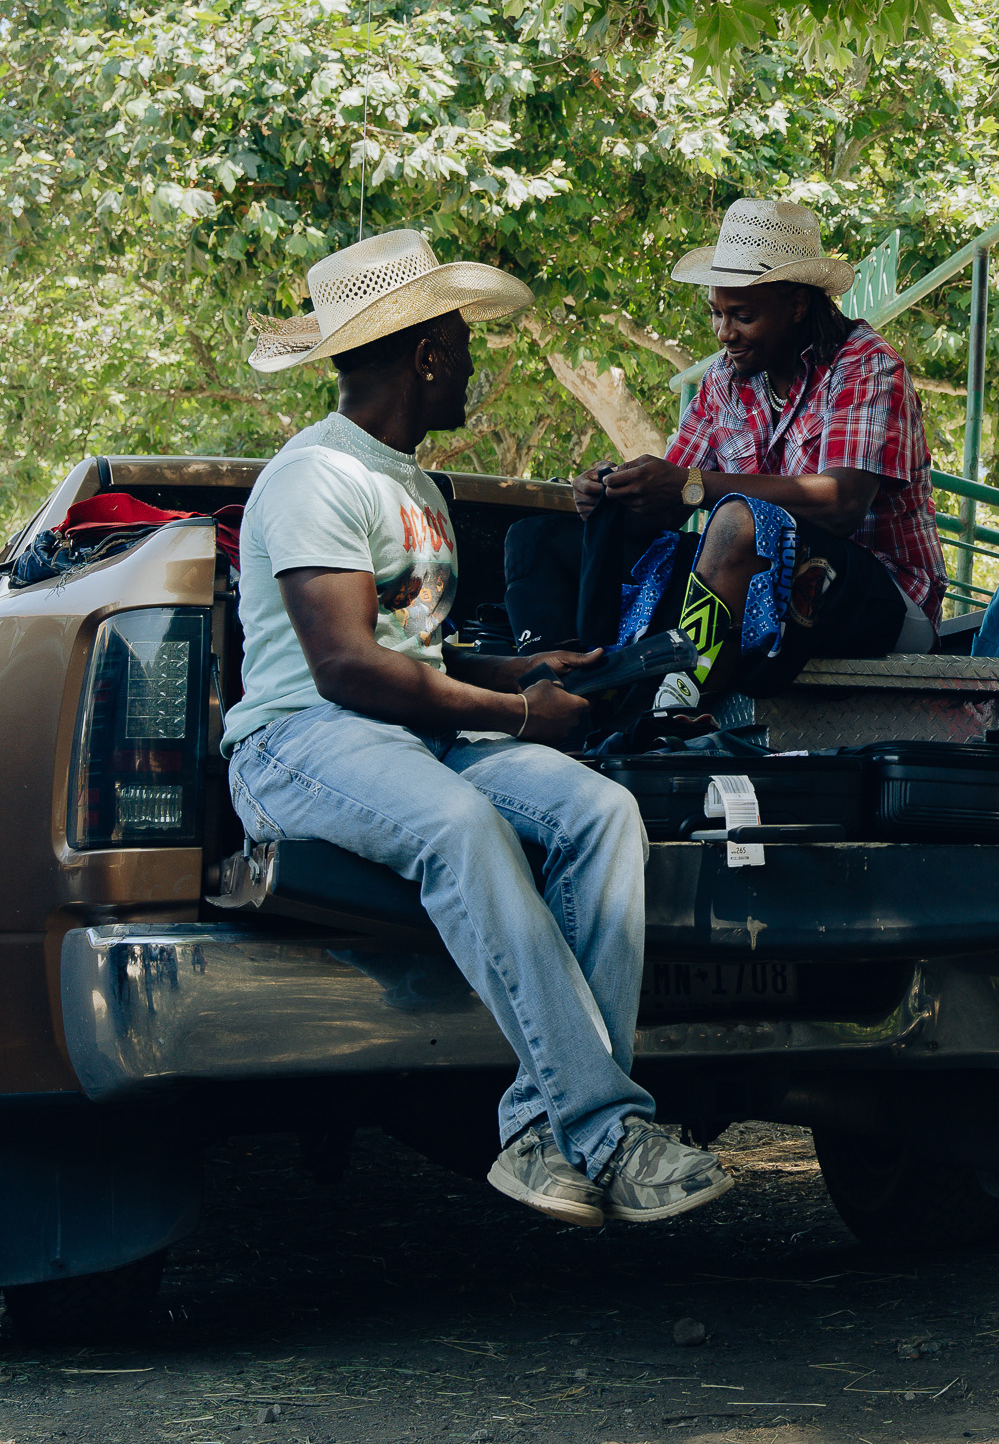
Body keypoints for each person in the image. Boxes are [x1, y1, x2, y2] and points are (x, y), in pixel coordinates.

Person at [223, 229, 732, 1230]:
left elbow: (415, 654)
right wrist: (514, 713)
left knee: (599, 813)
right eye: (462, 341)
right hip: (301, 740)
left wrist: (527, 670)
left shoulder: (413, 482)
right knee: (461, 825)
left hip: (403, 733)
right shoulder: (316, 473)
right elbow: (344, 665)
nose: (472, 360)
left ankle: (544, 1129)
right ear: (425, 355)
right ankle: (608, 1128)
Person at [531, 198, 945, 728]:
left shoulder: (866, 366)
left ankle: (674, 710)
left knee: (736, 521)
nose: (724, 333)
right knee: (541, 538)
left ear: (796, 305)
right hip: (767, 581)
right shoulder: (724, 380)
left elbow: (842, 503)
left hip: (887, 599)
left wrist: (691, 486)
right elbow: (671, 502)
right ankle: (562, 693)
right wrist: (616, 492)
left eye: (742, 316)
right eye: (717, 314)